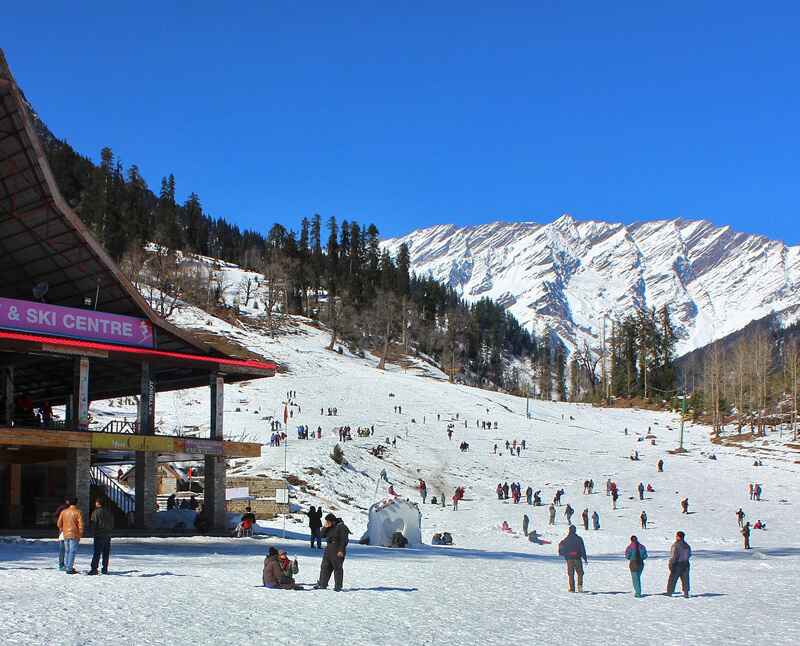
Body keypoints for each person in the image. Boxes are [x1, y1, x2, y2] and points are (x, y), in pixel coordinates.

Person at [315, 513, 350, 591]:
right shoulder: (329, 527)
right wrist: (324, 527)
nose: (327, 523)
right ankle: (322, 584)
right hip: (328, 549)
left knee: (337, 568)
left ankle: (338, 586)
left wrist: (341, 550)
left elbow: (344, 540)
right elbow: (321, 535)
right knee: (325, 566)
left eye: (328, 521)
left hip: (338, 549)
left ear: (333, 521)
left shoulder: (341, 527)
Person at [56, 498, 84, 575]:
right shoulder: (78, 512)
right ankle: (69, 568)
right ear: (76, 503)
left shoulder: (63, 512)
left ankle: (68, 566)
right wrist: (80, 533)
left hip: (65, 534)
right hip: (74, 534)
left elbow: (59, 523)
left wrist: (62, 529)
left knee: (68, 551)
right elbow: (80, 524)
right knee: (72, 551)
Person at [558, 525, 588, 593]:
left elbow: (562, 548)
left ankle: (572, 589)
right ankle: (580, 587)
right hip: (577, 558)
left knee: (571, 574)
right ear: (575, 530)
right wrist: (585, 558)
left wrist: (565, 556)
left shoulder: (566, 539)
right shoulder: (579, 539)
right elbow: (582, 549)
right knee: (580, 573)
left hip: (569, 559)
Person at [88, 498, 114, 575]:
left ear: (98, 503)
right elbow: (112, 523)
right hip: (107, 534)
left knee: (97, 552)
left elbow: (94, 523)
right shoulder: (109, 512)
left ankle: (94, 568)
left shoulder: (96, 512)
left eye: (96, 502)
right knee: (106, 553)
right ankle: (105, 568)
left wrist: (92, 531)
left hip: (99, 534)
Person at [666, 531, 692, 597]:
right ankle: (686, 593)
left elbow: (674, 556)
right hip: (686, 564)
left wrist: (671, 564)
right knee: (685, 579)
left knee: (672, 579)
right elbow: (689, 554)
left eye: (676, 536)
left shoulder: (676, 545)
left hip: (677, 564)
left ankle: (669, 592)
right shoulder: (687, 545)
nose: (675, 537)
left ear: (678, 537)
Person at [54, 497, 70, 571]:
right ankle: (67, 564)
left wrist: (60, 526)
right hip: (68, 531)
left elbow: (56, 516)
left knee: (63, 549)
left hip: (63, 530)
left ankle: (62, 564)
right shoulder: (65, 509)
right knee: (68, 549)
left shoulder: (62, 508)